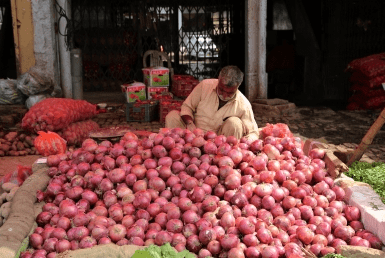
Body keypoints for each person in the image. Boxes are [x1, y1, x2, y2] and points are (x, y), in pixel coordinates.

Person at [165, 65, 259, 141]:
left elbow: (253, 132)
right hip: (193, 136)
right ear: (218, 79)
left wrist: (246, 141)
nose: (224, 95)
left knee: (235, 123)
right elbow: (187, 107)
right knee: (172, 116)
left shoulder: (244, 104)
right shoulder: (205, 86)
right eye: (221, 90)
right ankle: (177, 150)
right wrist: (189, 123)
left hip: (219, 144)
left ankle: (225, 160)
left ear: (238, 87)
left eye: (230, 93)